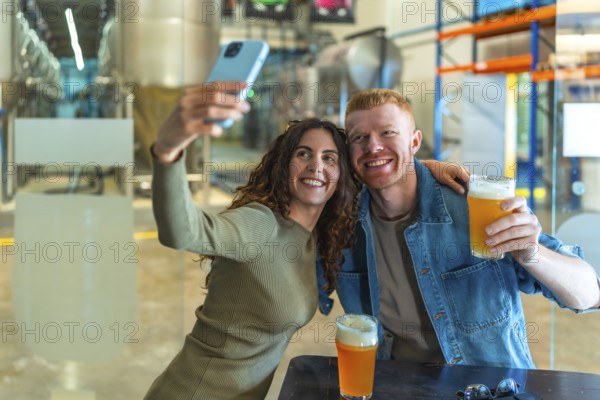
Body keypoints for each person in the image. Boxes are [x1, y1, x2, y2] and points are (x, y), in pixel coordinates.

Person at [145, 83, 466, 399]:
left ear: (342, 173)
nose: (316, 166)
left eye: (329, 158)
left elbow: (383, 173)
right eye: (304, 154)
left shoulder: (321, 237)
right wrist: (167, 152)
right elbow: (184, 231)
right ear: (284, 165)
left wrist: (425, 168)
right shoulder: (261, 222)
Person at [317, 88, 600, 369]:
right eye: (359, 137)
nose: (373, 146)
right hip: (395, 386)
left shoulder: (474, 206)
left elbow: (589, 296)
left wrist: (533, 254)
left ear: (415, 141)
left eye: (388, 133)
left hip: (489, 389)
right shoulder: (340, 226)